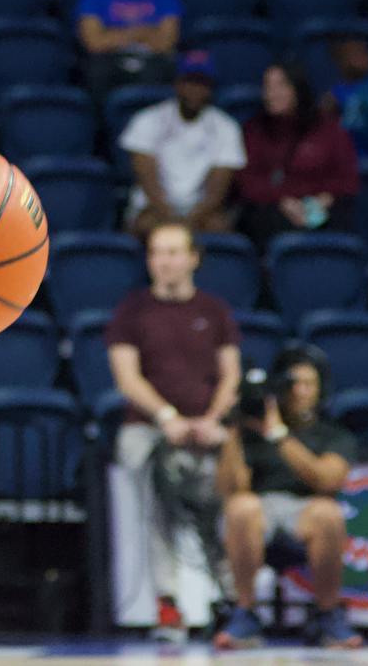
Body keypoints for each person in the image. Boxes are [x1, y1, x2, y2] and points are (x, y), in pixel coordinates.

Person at [105, 222, 239, 644]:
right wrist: (168, 418)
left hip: (207, 425)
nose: (164, 261)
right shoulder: (132, 311)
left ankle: (232, 595)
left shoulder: (214, 311)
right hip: (149, 427)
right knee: (157, 484)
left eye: (173, 252)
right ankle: (167, 599)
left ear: (193, 257)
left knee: (231, 488)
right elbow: (127, 379)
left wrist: (211, 420)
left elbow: (230, 375)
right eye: (157, 253)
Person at [214, 349, 363, 650]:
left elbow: (327, 480)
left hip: (306, 510)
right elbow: (231, 488)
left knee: (328, 512)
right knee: (241, 507)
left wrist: (279, 435)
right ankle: (245, 612)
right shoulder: (248, 433)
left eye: (310, 383)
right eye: (294, 383)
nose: (301, 391)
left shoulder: (332, 434)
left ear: (320, 389)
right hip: (259, 509)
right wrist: (233, 428)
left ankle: (328, 613)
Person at [117, 51, 246, 237]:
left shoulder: (226, 127)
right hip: (154, 207)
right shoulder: (147, 119)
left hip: (201, 210)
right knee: (146, 224)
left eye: (202, 84)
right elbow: (148, 181)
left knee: (219, 227)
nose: (195, 90)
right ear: (177, 84)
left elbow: (217, 191)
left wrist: (189, 221)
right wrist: (171, 219)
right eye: (190, 82)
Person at [237, 62, 361, 248]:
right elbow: (248, 182)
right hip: (273, 210)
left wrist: (322, 198)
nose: (272, 93)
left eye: (281, 86)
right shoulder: (253, 130)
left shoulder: (329, 130)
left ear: (297, 88)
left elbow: (348, 180)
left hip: (323, 207)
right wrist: (283, 200)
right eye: (267, 87)